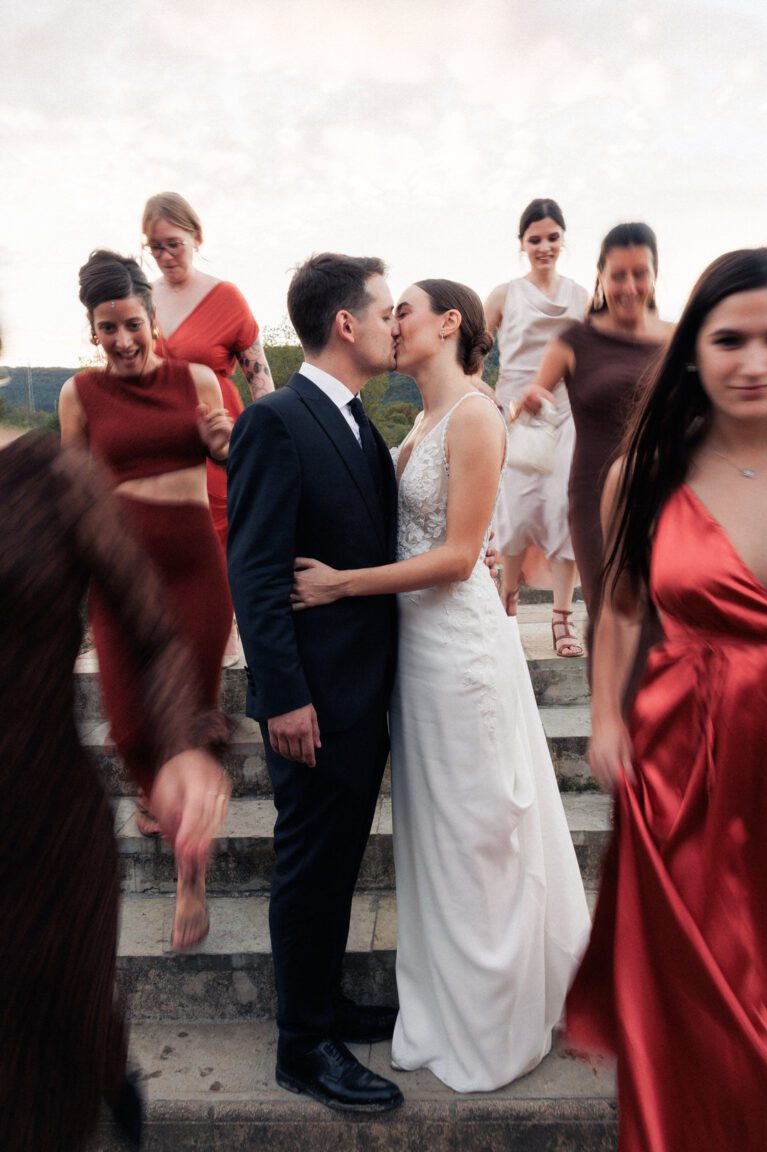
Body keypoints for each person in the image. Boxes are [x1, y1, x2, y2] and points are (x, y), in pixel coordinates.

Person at [292, 279, 591, 1092]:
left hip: (460, 658)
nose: (391, 325)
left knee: (478, 833)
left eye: (403, 312)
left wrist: (342, 584)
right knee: (436, 840)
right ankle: (445, 1005)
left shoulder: (476, 416)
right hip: (413, 664)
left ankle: (492, 1021)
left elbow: (461, 557)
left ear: (448, 323)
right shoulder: (421, 418)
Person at [566, 248, 767, 1151]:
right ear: (692, 351)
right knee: (700, 986)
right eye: (730, 339)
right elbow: (616, 612)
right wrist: (608, 719)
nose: (754, 361)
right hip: (687, 756)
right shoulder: (643, 475)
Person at [0, 424, 231, 1152]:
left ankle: (99, 1064)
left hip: (44, 838)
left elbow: (154, 630)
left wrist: (177, 748)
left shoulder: (52, 475)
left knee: (38, 1090)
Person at [227, 253, 404, 1113]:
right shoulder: (277, 420)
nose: (392, 325)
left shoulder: (363, 425)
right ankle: (302, 1044)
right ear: (345, 323)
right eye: (382, 311)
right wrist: (285, 696)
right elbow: (255, 574)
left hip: (361, 696)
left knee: (335, 867)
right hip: (312, 702)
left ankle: (326, 1002)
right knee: (308, 868)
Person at [59, 250, 233, 950]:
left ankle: (192, 882)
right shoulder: (78, 395)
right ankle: (153, 781)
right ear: (93, 332)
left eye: (133, 323)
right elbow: (73, 493)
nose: (123, 340)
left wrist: (224, 443)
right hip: (119, 581)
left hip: (195, 574)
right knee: (131, 730)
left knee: (188, 725)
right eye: (108, 329)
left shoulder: (196, 380)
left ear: (153, 319)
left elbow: (231, 458)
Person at [142, 192, 274, 665]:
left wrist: (269, 442)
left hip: (221, 434)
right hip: (161, 435)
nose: (164, 256)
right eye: (154, 247)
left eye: (173, 243)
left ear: (196, 237)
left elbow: (261, 379)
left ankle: (226, 630)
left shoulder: (226, 296)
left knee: (220, 528)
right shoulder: (144, 296)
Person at [521, 222, 671, 630]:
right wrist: (534, 399)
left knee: (668, 620)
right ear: (601, 276)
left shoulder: (675, 339)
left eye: (639, 273)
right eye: (617, 274)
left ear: (655, 275)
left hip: (666, 496)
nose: (628, 286)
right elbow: (534, 393)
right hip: (594, 498)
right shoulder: (574, 340)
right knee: (612, 622)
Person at [484, 198, 588, 653]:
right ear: (522, 243)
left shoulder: (582, 297)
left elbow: (595, 354)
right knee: (515, 515)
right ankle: (507, 604)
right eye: (534, 239)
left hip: (566, 416)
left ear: (563, 239)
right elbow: (472, 352)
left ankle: (562, 619)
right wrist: (485, 398)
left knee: (565, 514)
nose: (544, 247)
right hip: (515, 416)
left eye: (552, 238)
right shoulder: (505, 295)